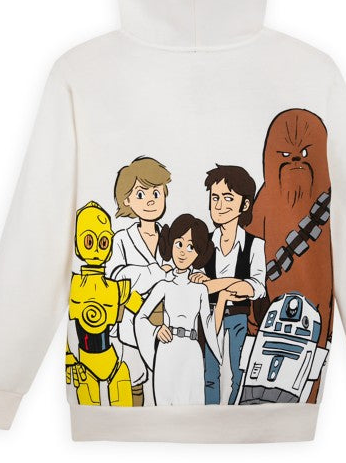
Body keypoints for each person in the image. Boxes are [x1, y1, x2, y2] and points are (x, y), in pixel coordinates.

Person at [190, 164, 266, 405]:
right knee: (209, 374)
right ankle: (210, 414)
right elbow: (197, 285)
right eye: (215, 198)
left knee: (238, 374)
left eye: (228, 198)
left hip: (238, 318)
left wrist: (216, 284)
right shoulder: (203, 243)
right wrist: (234, 284)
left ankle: (235, 414)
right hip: (208, 317)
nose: (220, 205)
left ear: (245, 204)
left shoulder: (255, 245)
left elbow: (256, 287)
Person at [134, 214, 226, 405]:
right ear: (170, 244)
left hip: (192, 352)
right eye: (179, 244)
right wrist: (156, 330)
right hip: (167, 349)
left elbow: (208, 326)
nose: (183, 252)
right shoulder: (163, 285)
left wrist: (223, 299)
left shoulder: (200, 289)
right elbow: (140, 316)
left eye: (191, 247)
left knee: (193, 404)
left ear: (199, 253)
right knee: (164, 403)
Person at [105, 156, 174, 406]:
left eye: (156, 193)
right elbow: (116, 277)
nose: (150, 201)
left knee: (164, 384)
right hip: (130, 327)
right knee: (134, 382)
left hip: (166, 325)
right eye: (141, 194)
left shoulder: (172, 237)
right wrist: (156, 272)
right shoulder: (121, 239)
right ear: (127, 200)